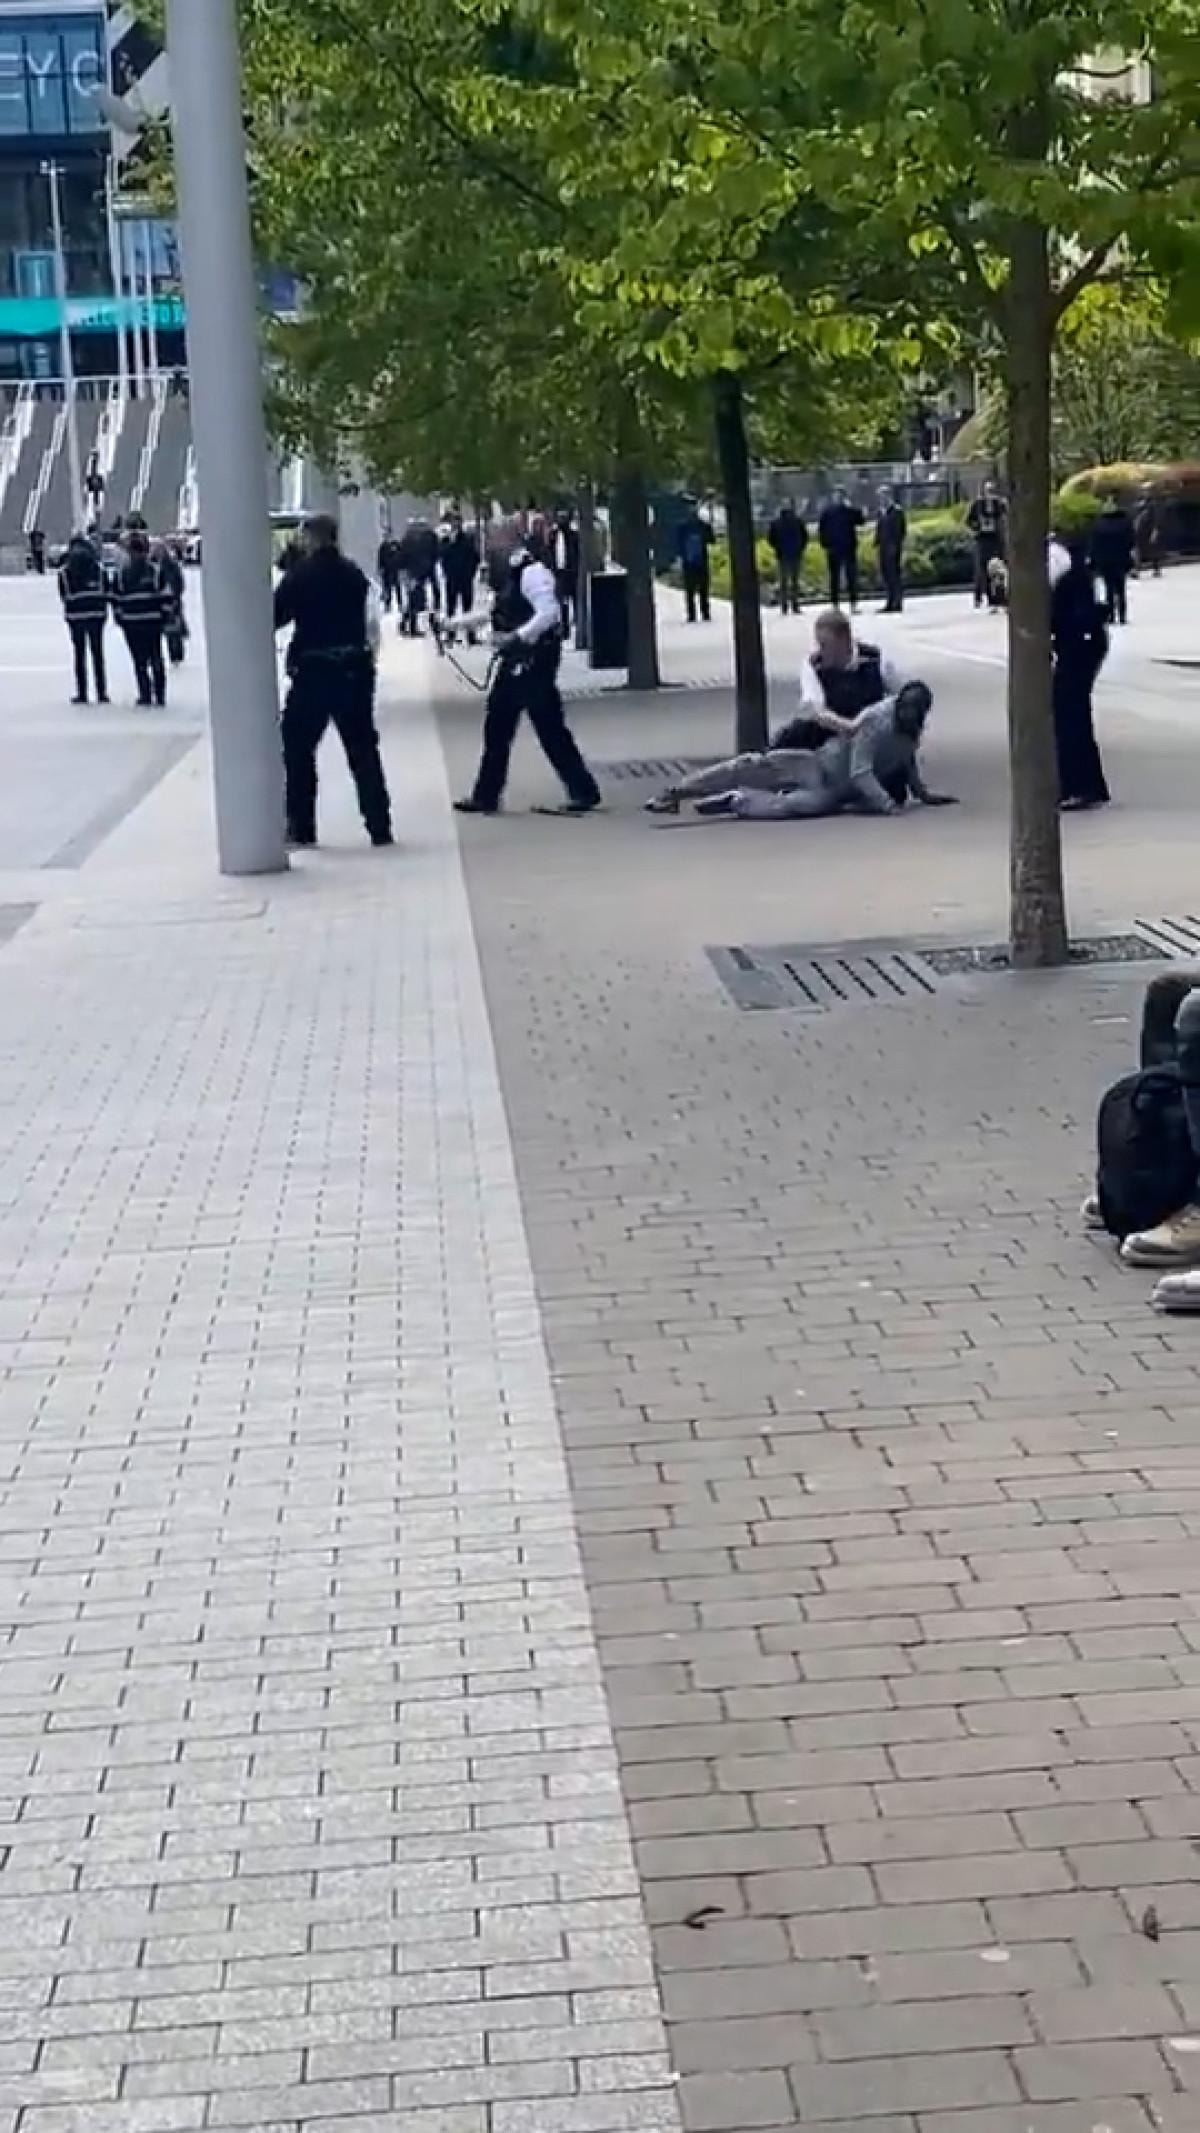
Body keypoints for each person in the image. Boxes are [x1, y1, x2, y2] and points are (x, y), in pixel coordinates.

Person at [645, 681, 955, 820]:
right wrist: (887, 805)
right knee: (750, 766)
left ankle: (735, 801)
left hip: (833, 792)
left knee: (791, 806)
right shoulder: (878, 719)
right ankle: (675, 792)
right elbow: (860, 771)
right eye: (904, 709)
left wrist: (922, 793)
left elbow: (905, 758)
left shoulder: (910, 730)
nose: (906, 715)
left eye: (913, 712)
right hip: (819, 764)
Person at [274, 514, 393, 850]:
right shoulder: (353, 574)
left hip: (314, 671)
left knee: (298, 748)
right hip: (354, 670)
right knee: (363, 750)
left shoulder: (301, 576)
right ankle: (379, 825)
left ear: (311, 538)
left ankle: (301, 825)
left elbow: (275, 615)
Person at [454, 547, 601, 817]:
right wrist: (452, 625)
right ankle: (487, 794)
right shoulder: (513, 579)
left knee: (543, 727)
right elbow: (491, 613)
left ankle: (582, 790)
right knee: (504, 726)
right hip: (521, 660)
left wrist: (516, 637)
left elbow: (549, 613)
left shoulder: (532, 574)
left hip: (534, 661)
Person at [771, 609, 904, 753]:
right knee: (795, 732)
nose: (821, 651)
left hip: (874, 729)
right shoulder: (813, 665)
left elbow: (900, 696)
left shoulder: (876, 658)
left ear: (844, 640)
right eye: (819, 644)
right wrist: (848, 726)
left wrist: (872, 717)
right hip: (830, 730)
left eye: (825, 645)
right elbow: (815, 708)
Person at [1051, 542, 1109, 812]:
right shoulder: (1079, 576)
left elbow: (1077, 616)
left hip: (1078, 647)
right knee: (1075, 713)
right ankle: (1090, 784)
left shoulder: (1069, 580)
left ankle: (1078, 785)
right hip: (1085, 645)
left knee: (1069, 714)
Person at [115, 531, 167, 707]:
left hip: (132, 622)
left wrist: (120, 618)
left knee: (139, 660)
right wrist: (165, 616)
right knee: (156, 657)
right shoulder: (155, 571)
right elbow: (165, 595)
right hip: (153, 621)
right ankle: (159, 694)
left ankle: (145, 694)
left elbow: (117, 598)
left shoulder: (123, 573)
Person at [58, 532, 110, 705]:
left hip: (76, 616)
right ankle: (102, 692)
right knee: (98, 654)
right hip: (96, 615)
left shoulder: (65, 571)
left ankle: (82, 692)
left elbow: (64, 595)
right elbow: (105, 590)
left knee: (79, 654)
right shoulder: (98, 568)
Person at [1090, 496, 1136, 625]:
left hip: (1105, 561)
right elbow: (1131, 541)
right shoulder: (1125, 522)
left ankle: (1110, 615)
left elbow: (1094, 544)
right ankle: (1122, 615)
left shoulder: (1098, 524)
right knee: (1121, 589)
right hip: (1120, 559)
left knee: (1108, 589)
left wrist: (1094, 561)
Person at [817, 488, 864, 610]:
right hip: (833, 549)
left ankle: (853, 603)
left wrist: (852, 507)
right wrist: (825, 545)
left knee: (851, 577)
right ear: (833, 497)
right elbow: (821, 530)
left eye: (841, 496)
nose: (838, 498)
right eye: (836, 496)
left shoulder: (849, 511)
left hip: (849, 548)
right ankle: (835, 604)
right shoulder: (827, 512)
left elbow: (861, 521)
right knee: (834, 578)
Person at [967, 481, 1008, 609]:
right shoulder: (977, 504)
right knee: (981, 569)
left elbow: (1006, 516)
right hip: (982, 539)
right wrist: (977, 528)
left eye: (992, 490)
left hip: (995, 539)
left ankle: (996, 598)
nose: (990, 493)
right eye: (988, 491)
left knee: (996, 568)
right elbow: (969, 521)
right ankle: (978, 597)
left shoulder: (998, 503)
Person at [397, 517, 440, 636]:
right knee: (416, 600)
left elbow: (402, 556)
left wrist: (404, 571)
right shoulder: (426, 538)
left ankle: (406, 624)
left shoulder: (408, 539)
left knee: (414, 600)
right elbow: (434, 553)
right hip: (419, 572)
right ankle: (410, 626)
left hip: (413, 573)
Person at [767, 501, 809, 615]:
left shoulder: (776, 523)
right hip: (795, 554)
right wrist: (800, 548)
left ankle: (784, 606)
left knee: (783, 582)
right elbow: (805, 537)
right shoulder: (797, 521)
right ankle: (795, 605)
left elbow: (771, 539)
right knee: (794, 581)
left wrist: (777, 548)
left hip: (782, 555)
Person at [676, 503, 715, 623]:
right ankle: (704, 613)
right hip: (700, 561)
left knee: (691, 589)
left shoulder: (683, 527)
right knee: (702, 588)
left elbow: (678, 545)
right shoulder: (703, 526)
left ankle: (692, 614)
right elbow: (712, 540)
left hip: (689, 562)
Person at [874, 486, 908, 613]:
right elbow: (879, 529)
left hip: (893, 548)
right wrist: (876, 543)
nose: (881, 499)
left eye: (883, 496)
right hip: (883, 547)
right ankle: (889, 602)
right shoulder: (881, 511)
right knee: (886, 576)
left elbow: (901, 531)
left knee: (894, 575)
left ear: (888, 496)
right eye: (879, 497)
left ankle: (897, 602)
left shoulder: (897, 511)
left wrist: (896, 545)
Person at [548, 508, 581, 636]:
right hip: (559, 572)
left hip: (571, 571)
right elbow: (549, 552)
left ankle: (578, 625)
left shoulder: (574, 535)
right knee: (562, 602)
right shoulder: (553, 535)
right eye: (560, 518)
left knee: (575, 600)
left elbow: (577, 553)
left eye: (564, 518)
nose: (562, 521)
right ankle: (565, 628)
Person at [441, 515, 481, 621]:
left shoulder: (467, 539)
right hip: (453, 577)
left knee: (467, 606)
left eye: (457, 522)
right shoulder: (447, 540)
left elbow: (475, 557)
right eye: (453, 522)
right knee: (451, 606)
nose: (455, 525)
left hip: (464, 577)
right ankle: (451, 627)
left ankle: (468, 628)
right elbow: (442, 555)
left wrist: (471, 573)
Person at [156, 539, 188, 664]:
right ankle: (175, 653)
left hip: (171, 600)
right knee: (172, 628)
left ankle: (176, 653)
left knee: (173, 627)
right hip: (169, 600)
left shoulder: (168, 566)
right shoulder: (161, 566)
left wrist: (175, 594)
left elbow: (179, 583)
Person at [1135, 489, 1163, 578]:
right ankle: (1137, 570)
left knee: (1152, 551)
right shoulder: (1139, 504)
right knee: (1138, 551)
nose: (1144, 493)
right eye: (1143, 491)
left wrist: (1155, 531)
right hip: (1140, 531)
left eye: (1146, 491)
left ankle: (1156, 569)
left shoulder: (1152, 505)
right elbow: (1136, 518)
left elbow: (1156, 518)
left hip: (1149, 531)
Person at [377, 531, 404, 614]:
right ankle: (387, 604)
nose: (387, 537)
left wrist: (402, 566)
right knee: (387, 588)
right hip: (386, 570)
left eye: (388, 536)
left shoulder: (396, 544)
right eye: (385, 536)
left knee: (397, 587)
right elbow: (380, 558)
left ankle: (400, 604)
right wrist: (380, 568)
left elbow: (402, 554)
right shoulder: (382, 546)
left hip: (395, 569)